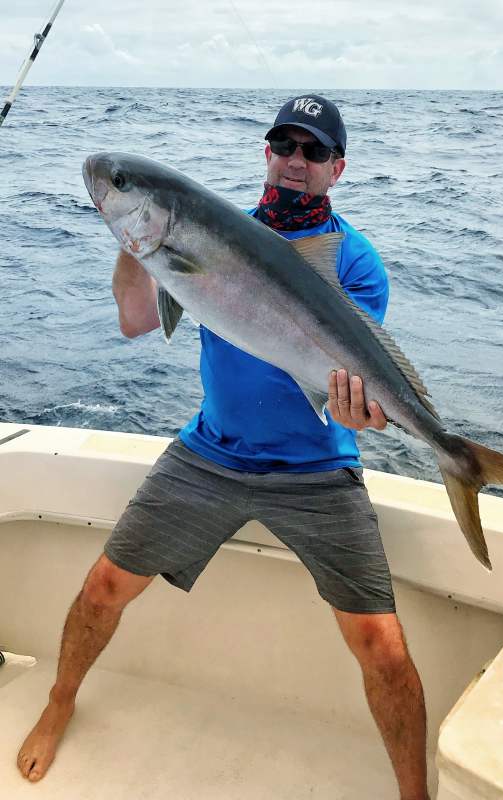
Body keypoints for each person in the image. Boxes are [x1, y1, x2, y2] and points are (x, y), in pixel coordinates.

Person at [17, 94, 429, 800]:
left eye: (314, 151)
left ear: (338, 168)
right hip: (213, 453)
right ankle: (59, 701)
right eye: (284, 145)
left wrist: (363, 412)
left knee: (383, 650)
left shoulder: (354, 262)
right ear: (266, 153)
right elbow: (135, 321)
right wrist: (131, 240)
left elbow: (350, 397)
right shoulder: (206, 232)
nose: (296, 161)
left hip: (318, 468)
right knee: (103, 587)